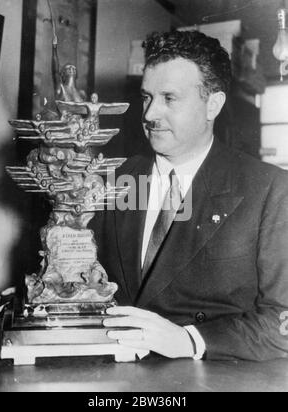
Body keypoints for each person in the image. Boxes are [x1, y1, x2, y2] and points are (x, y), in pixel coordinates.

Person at [90, 30, 288, 361]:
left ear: (213, 104)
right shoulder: (113, 180)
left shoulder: (268, 190)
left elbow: (281, 325)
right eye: (147, 97)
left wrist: (191, 340)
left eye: (169, 98)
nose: (150, 115)